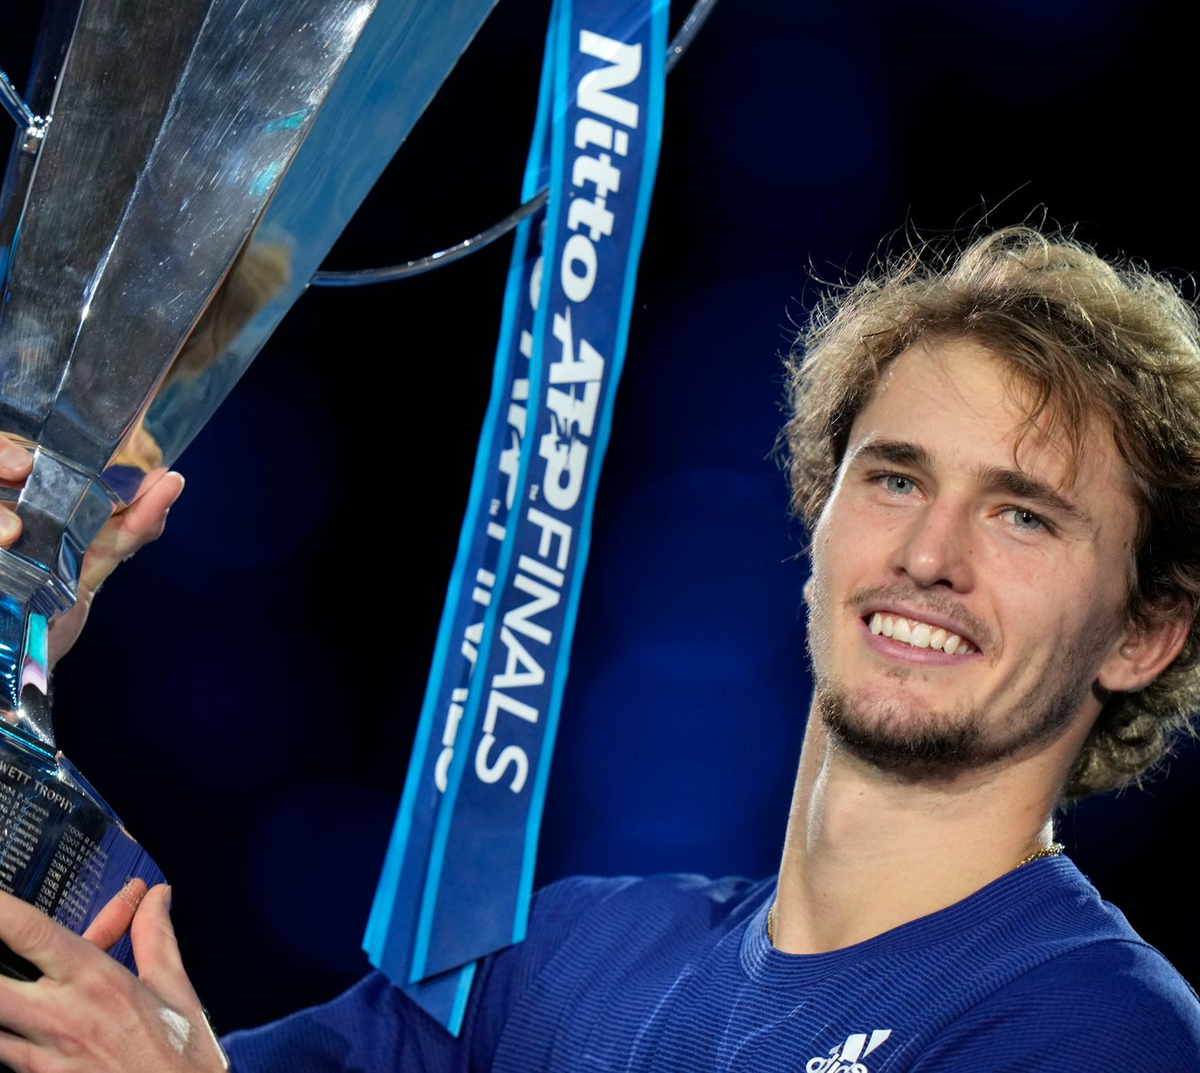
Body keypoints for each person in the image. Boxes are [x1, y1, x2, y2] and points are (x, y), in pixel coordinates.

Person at [3, 225, 1200, 1071]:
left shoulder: (1089, 1026)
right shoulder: (558, 959)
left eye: (1022, 514)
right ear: (820, 519)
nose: (930, 554)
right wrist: (21, 642)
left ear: (1146, 631)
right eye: (894, 478)